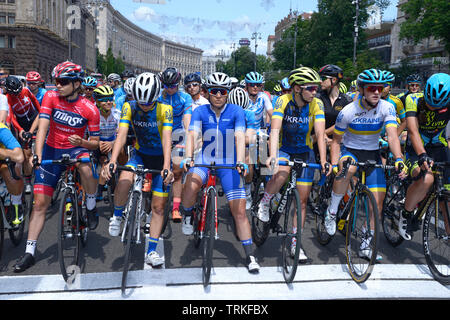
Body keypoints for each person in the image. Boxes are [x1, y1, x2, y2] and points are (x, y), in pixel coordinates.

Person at [13, 61, 100, 273]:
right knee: (40, 204)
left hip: (76, 149)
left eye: (62, 82)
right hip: (52, 149)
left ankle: (90, 204)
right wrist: (38, 154)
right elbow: (42, 127)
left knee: (86, 168)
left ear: (77, 84)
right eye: (55, 81)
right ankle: (30, 252)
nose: (57, 85)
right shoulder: (51, 97)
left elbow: (96, 143)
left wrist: (82, 143)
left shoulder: (90, 109)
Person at [180, 72, 260, 273]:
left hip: (229, 161)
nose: (218, 95)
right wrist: (188, 157)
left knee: (240, 212)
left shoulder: (236, 112)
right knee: (191, 185)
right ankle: (188, 214)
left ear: (227, 93)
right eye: (214, 91)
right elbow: (192, 134)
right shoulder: (200, 111)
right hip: (205, 158)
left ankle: (250, 255)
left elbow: (241, 137)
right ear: (207, 93)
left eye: (222, 91)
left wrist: (241, 161)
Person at [324, 68, 407, 259]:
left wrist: (400, 159)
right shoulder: (348, 111)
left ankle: (365, 243)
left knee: (376, 205)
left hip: (372, 154)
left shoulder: (387, 107)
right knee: (348, 168)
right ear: (361, 89)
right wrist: (335, 163)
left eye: (380, 88)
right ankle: (332, 210)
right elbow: (336, 141)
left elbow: (393, 136)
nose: (376, 92)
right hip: (350, 151)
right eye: (371, 88)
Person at [256, 66, 330, 262]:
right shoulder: (282, 101)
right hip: (284, 147)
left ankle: (296, 242)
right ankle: (264, 202)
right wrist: (272, 155)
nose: (315, 92)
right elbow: (275, 130)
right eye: (310, 88)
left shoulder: (317, 104)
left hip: (305, 151)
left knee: (303, 201)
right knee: (281, 172)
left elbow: (321, 135)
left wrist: (323, 161)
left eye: (316, 88)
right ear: (297, 88)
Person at [103, 72, 173, 267]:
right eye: (140, 102)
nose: (143, 106)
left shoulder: (164, 109)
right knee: (124, 180)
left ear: (156, 96)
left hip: (160, 158)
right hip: (140, 155)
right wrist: (113, 160)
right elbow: (122, 133)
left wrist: (167, 166)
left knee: (158, 207)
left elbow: (167, 139)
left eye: (148, 103)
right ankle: (117, 216)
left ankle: (152, 251)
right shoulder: (128, 106)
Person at [400, 73, 450, 240]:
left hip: (439, 147)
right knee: (427, 179)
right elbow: (413, 131)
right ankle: (405, 213)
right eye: (429, 104)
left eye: (438, 107)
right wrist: (422, 155)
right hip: (416, 148)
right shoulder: (413, 100)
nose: (432, 108)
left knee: (447, 200)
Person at [157, 67, 193, 223]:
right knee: (157, 168)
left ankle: (176, 208)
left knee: (177, 171)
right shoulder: (157, 96)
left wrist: (188, 138)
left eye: (173, 86)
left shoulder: (185, 98)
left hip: (178, 134)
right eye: (166, 86)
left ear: (178, 84)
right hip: (160, 132)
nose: (170, 89)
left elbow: (187, 121)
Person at [243, 71, 274, 209]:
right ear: (247, 86)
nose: (255, 87)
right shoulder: (242, 97)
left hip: (259, 131)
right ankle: (248, 192)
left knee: (266, 157)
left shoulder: (263, 97)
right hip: (245, 131)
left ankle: (264, 184)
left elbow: (272, 114)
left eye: (258, 85)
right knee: (248, 163)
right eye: (252, 85)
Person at [4, 75, 40, 182]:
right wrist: (20, 130)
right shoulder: (7, 99)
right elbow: (11, 117)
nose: (18, 94)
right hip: (22, 124)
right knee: (26, 154)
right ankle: (28, 181)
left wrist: (43, 115)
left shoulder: (25, 91)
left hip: (34, 118)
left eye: (18, 91)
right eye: (15, 93)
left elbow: (37, 104)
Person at [92, 85, 121, 201]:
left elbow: (120, 134)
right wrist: (98, 143)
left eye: (110, 98)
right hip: (96, 143)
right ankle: (96, 189)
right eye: (104, 99)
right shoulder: (93, 113)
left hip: (112, 142)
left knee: (120, 153)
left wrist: (113, 144)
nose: (108, 102)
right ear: (98, 101)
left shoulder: (117, 114)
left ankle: (115, 185)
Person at [316, 64, 352, 150]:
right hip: (316, 141)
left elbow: (346, 123)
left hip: (338, 143)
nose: (320, 81)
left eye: (323, 78)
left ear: (334, 80)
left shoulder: (347, 100)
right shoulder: (316, 97)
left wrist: (324, 133)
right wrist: (322, 136)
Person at [0, 122, 25, 232]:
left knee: (7, 171)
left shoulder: (2, 129)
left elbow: (19, 157)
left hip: (6, 158)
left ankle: (17, 204)